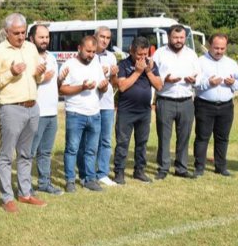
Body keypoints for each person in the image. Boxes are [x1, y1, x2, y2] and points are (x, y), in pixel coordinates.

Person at [0, 13, 47, 213]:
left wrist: (39, 74)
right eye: (16, 33)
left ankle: (25, 193)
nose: (21, 37)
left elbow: (37, 79)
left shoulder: (31, 48)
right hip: (11, 108)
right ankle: (7, 197)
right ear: (6, 32)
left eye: (23, 32)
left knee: (26, 154)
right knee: (6, 155)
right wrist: (11, 73)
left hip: (32, 106)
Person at [60, 36, 108, 192]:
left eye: (94, 52)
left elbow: (102, 89)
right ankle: (70, 180)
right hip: (75, 113)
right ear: (79, 48)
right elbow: (62, 89)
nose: (91, 55)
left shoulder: (96, 64)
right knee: (72, 149)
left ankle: (90, 179)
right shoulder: (69, 65)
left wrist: (104, 86)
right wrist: (82, 87)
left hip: (94, 114)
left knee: (91, 150)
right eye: (88, 51)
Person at [152, 25, 201, 179]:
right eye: (175, 37)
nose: (179, 41)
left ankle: (181, 168)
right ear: (168, 37)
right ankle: (163, 168)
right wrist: (165, 79)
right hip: (165, 99)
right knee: (164, 136)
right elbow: (152, 76)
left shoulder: (192, 54)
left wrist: (194, 80)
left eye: (181, 38)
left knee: (184, 136)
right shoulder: (159, 54)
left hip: (186, 101)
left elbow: (199, 75)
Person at [113, 36, 163, 185]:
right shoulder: (123, 64)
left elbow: (159, 86)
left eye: (145, 54)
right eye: (139, 54)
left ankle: (139, 171)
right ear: (131, 51)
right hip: (126, 111)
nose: (142, 58)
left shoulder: (151, 65)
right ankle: (119, 172)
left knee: (142, 143)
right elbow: (121, 86)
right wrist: (136, 72)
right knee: (122, 143)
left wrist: (147, 71)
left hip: (144, 111)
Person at [193, 34, 238, 177]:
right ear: (210, 46)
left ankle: (221, 167)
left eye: (222, 48)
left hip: (226, 106)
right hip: (204, 105)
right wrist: (208, 83)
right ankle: (199, 167)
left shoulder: (231, 63)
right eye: (216, 48)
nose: (219, 51)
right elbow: (194, 83)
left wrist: (233, 83)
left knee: (223, 137)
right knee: (202, 137)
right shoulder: (200, 62)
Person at [28, 24, 64, 196]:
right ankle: (25, 186)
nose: (45, 40)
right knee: (30, 152)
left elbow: (54, 85)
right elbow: (24, 82)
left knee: (46, 152)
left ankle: (44, 183)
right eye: (41, 37)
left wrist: (60, 79)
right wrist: (40, 79)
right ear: (31, 38)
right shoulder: (28, 57)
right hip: (36, 112)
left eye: (47, 37)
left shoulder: (51, 57)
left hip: (51, 112)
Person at [81, 26, 118, 186]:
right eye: (102, 36)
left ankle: (102, 173)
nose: (104, 40)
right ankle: (85, 173)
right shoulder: (88, 55)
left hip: (108, 104)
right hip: (90, 104)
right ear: (95, 37)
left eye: (108, 38)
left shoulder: (112, 57)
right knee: (87, 141)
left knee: (105, 140)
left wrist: (114, 73)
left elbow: (115, 83)